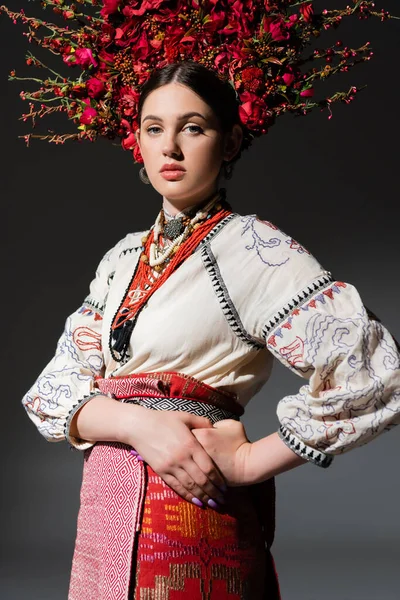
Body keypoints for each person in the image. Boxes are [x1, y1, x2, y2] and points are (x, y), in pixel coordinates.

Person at [20, 60, 400, 600]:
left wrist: (250, 462)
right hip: (105, 513)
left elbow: (379, 373)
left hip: (191, 515)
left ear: (229, 142)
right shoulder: (122, 257)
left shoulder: (252, 248)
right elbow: (53, 388)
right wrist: (138, 426)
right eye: (155, 128)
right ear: (139, 142)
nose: (170, 147)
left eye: (192, 127)